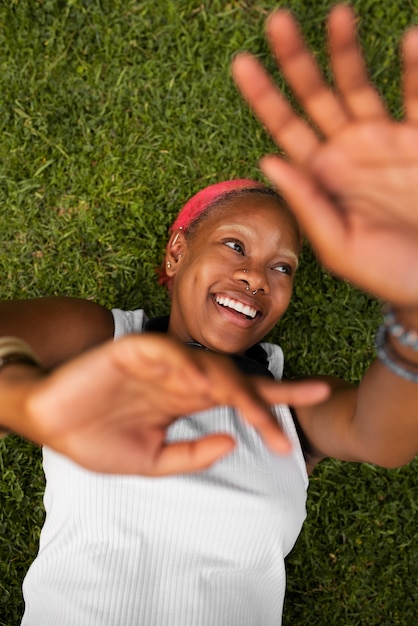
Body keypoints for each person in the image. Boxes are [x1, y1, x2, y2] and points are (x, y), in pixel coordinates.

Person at [0, 2, 417, 625]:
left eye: (283, 268)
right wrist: (26, 403)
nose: (257, 275)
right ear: (176, 252)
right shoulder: (100, 337)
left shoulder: (289, 401)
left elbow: (382, 441)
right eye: (235, 246)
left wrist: (413, 309)